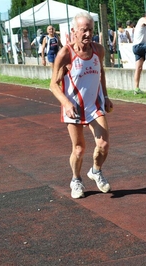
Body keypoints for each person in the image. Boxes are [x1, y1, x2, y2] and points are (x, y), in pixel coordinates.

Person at [49, 12, 113, 199]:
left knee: (104, 144)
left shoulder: (98, 50)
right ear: (73, 31)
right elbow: (53, 84)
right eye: (84, 30)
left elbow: (101, 72)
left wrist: (106, 96)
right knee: (79, 149)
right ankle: (76, 179)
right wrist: (66, 103)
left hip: (94, 106)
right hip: (74, 108)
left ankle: (95, 171)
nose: (88, 34)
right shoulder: (65, 53)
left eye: (90, 30)